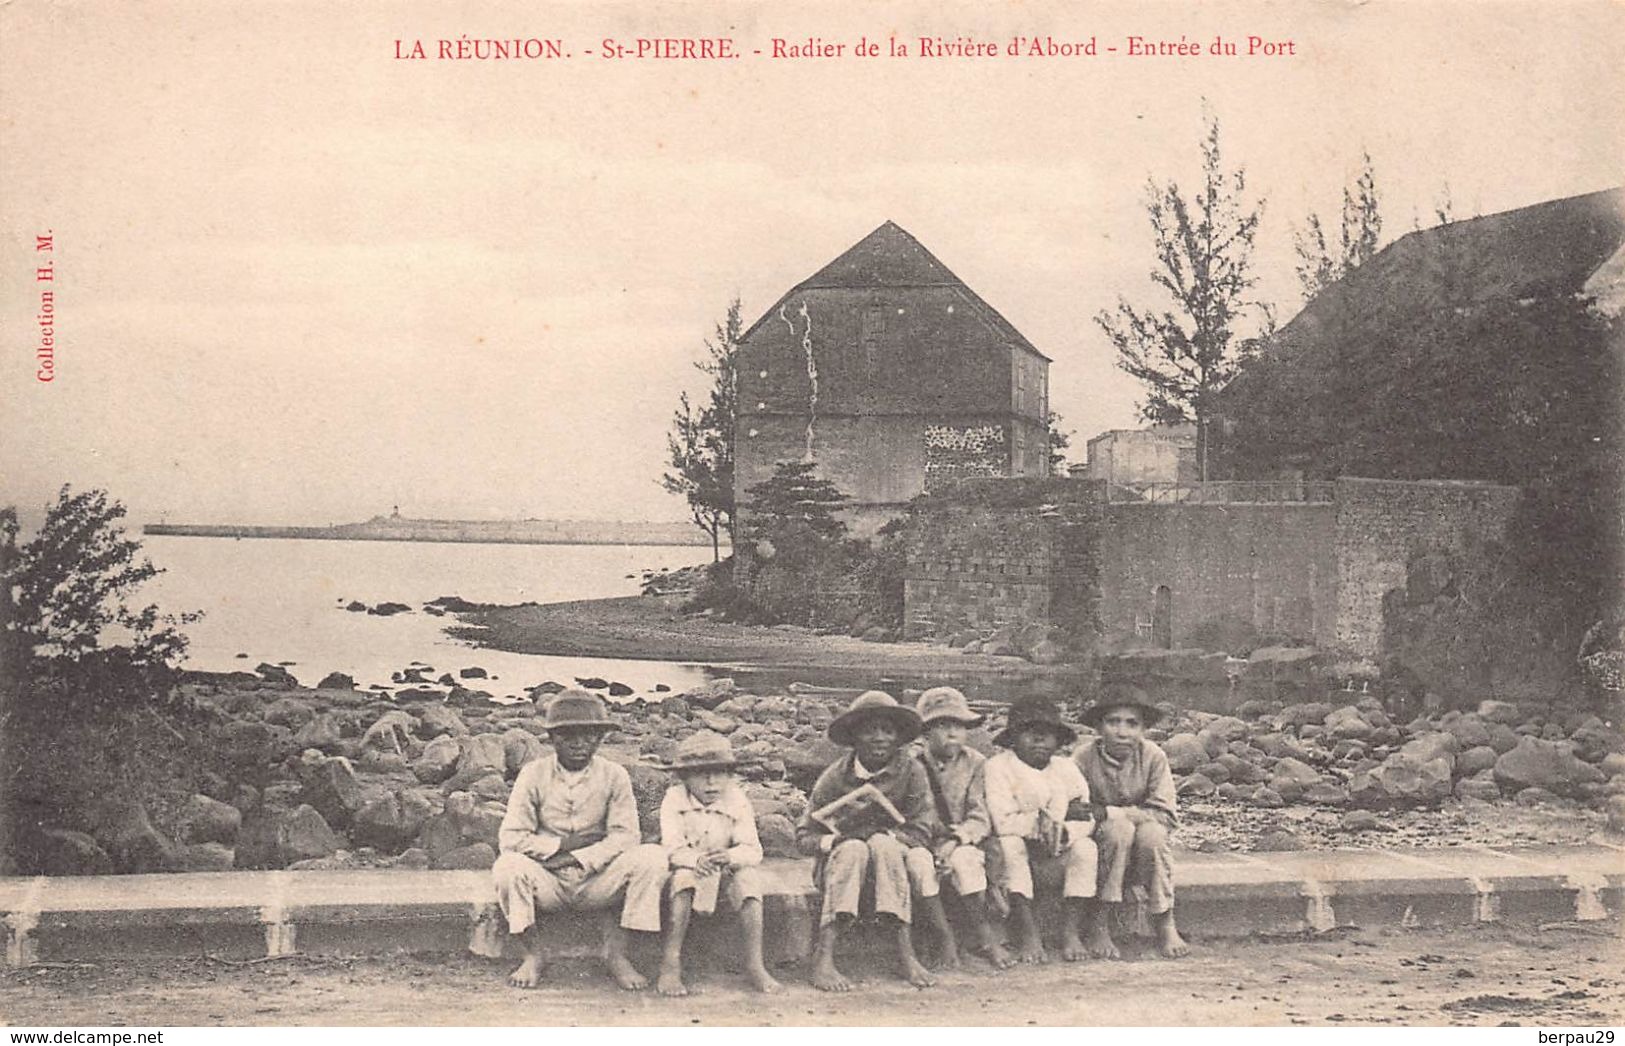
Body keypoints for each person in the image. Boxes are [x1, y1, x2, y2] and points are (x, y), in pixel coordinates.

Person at [491, 689, 669, 990]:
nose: (578, 743)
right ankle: (533, 954)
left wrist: (579, 857)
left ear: (600, 738)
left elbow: (626, 836)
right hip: (547, 880)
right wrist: (562, 846)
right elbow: (510, 838)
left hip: (597, 880)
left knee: (651, 857)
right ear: (552, 738)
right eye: (568, 735)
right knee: (508, 866)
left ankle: (618, 955)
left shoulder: (615, 775)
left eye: (588, 735)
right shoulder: (533, 774)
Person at [796, 690, 938, 992]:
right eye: (870, 730)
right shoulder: (834, 778)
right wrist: (832, 841)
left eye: (888, 730)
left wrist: (885, 835)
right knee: (853, 848)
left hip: (892, 865)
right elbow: (804, 835)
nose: (879, 738)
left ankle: (905, 952)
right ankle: (824, 956)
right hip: (843, 869)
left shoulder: (912, 771)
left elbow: (923, 829)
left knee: (882, 845)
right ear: (854, 736)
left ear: (898, 737)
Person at [650, 730, 782, 996]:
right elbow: (672, 847)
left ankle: (754, 963)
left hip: (724, 869)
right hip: (689, 866)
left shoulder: (737, 799)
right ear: (685, 777)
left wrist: (730, 857)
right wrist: (694, 859)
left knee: (749, 882)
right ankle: (671, 962)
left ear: (729, 775)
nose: (712, 782)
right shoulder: (674, 799)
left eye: (720, 773)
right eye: (701, 774)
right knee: (683, 881)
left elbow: (753, 849)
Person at [983, 693, 1097, 963]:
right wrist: (1046, 820)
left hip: (1057, 855)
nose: (1039, 740)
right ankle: (1028, 932)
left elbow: (1086, 817)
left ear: (1058, 741)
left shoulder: (1066, 769)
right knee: (1010, 844)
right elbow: (1002, 820)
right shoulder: (998, 767)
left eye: (1047, 734)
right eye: (1028, 733)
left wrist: (1063, 831)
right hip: (1020, 861)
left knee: (1086, 848)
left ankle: (1070, 931)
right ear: (1012, 739)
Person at [1075, 686, 1187, 959]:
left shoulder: (1153, 757)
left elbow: (1165, 813)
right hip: (1104, 849)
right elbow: (1077, 809)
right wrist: (1121, 815)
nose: (1122, 732)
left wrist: (1117, 813)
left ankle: (1164, 919)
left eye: (1132, 724)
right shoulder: (1082, 758)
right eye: (1113, 722)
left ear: (1143, 729)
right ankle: (1100, 921)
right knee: (1118, 829)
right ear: (1099, 726)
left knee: (1154, 835)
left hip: (1141, 851)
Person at [906, 686, 1014, 970]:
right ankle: (944, 937)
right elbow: (907, 814)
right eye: (942, 726)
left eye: (959, 726)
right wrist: (929, 844)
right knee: (920, 866)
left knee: (966, 861)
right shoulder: (910, 764)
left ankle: (984, 936)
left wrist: (957, 839)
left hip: (959, 839)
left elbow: (980, 815)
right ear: (925, 732)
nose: (952, 733)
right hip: (921, 840)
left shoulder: (976, 763)